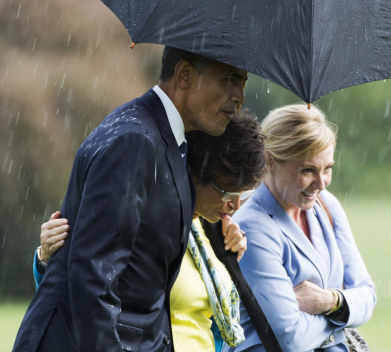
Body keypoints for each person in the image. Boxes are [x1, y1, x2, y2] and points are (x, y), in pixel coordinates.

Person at [13, 46, 248, 352]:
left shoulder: (166, 139)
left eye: (242, 82)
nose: (239, 96)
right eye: (229, 79)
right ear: (184, 75)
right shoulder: (134, 140)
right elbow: (93, 278)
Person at [33, 110, 267, 352]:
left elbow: (215, 324)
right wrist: (47, 261)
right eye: (229, 192)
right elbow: (86, 292)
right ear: (198, 171)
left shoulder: (213, 231)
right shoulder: (145, 216)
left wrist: (229, 260)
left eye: (244, 194)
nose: (236, 205)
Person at [224, 104, 376, 352]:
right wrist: (340, 319)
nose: (321, 184)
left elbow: (368, 296)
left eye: (327, 169)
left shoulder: (327, 205)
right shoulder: (253, 226)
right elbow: (291, 339)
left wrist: (329, 301)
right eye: (308, 170)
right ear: (270, 161)